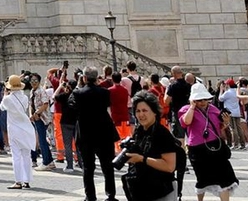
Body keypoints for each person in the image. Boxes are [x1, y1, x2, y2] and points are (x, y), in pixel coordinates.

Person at [179, 82, 238, 201]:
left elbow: (219, 127)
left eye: (205, 99)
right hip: (198, 149)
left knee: (224, 178)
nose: (202, 102)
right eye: (199, 99)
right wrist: (192, 107)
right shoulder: (186, 109)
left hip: (215, 146)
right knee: (202, 179)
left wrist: (226, 122)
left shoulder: (213, 109)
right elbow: (186, 122)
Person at [70, 66, 118, 201]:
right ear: (96, 78)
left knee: (88, 168)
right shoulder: (105, 92)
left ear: (84, 78)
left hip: (86, 133)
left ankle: (90, 196)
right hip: (104, 132)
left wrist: (78, 86)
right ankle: (111, 195)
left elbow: (71, 106)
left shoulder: (78, 93)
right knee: (107, 166)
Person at [121, 91, 178, 201]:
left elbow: (169, 166)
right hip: (141, 191)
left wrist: (142, 159)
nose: (141, 114)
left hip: (161, 192)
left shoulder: (162, 134)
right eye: (137, 111)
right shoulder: (139, 131)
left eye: (145, 110)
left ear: (155, 112)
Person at [2, 74, 34, 189]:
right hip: (25, 127)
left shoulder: (7, 99)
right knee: (26, 155)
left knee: (16, 155)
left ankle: (18, 181)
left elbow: (2, 107)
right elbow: (24, 108)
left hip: (14, 128)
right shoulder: (24, 97)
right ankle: (27, 180)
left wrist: (5, 94)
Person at [55, 79, 79, 173]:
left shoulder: (64, 96)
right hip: (76, 121)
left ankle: (70, 165)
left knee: (67, 145)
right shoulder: (77, 95)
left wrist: (60, 86)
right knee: (78, 144)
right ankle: (80, 163)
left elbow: (54, 97)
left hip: (65, 121)